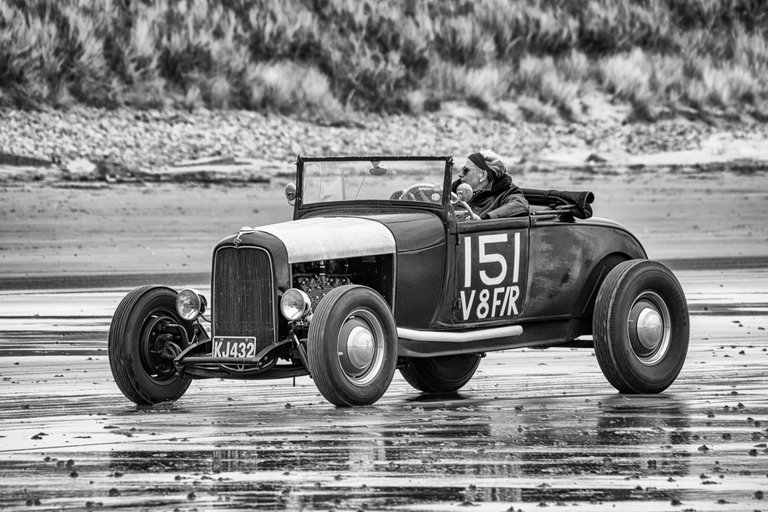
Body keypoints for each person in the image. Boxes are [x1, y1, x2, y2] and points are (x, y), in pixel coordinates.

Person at [451, 149, 528, 220]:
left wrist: (484, 219)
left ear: (483, 175)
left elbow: (520, 205)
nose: (460, 174)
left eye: (466, 170)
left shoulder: (506, 193)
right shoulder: (454, 192)